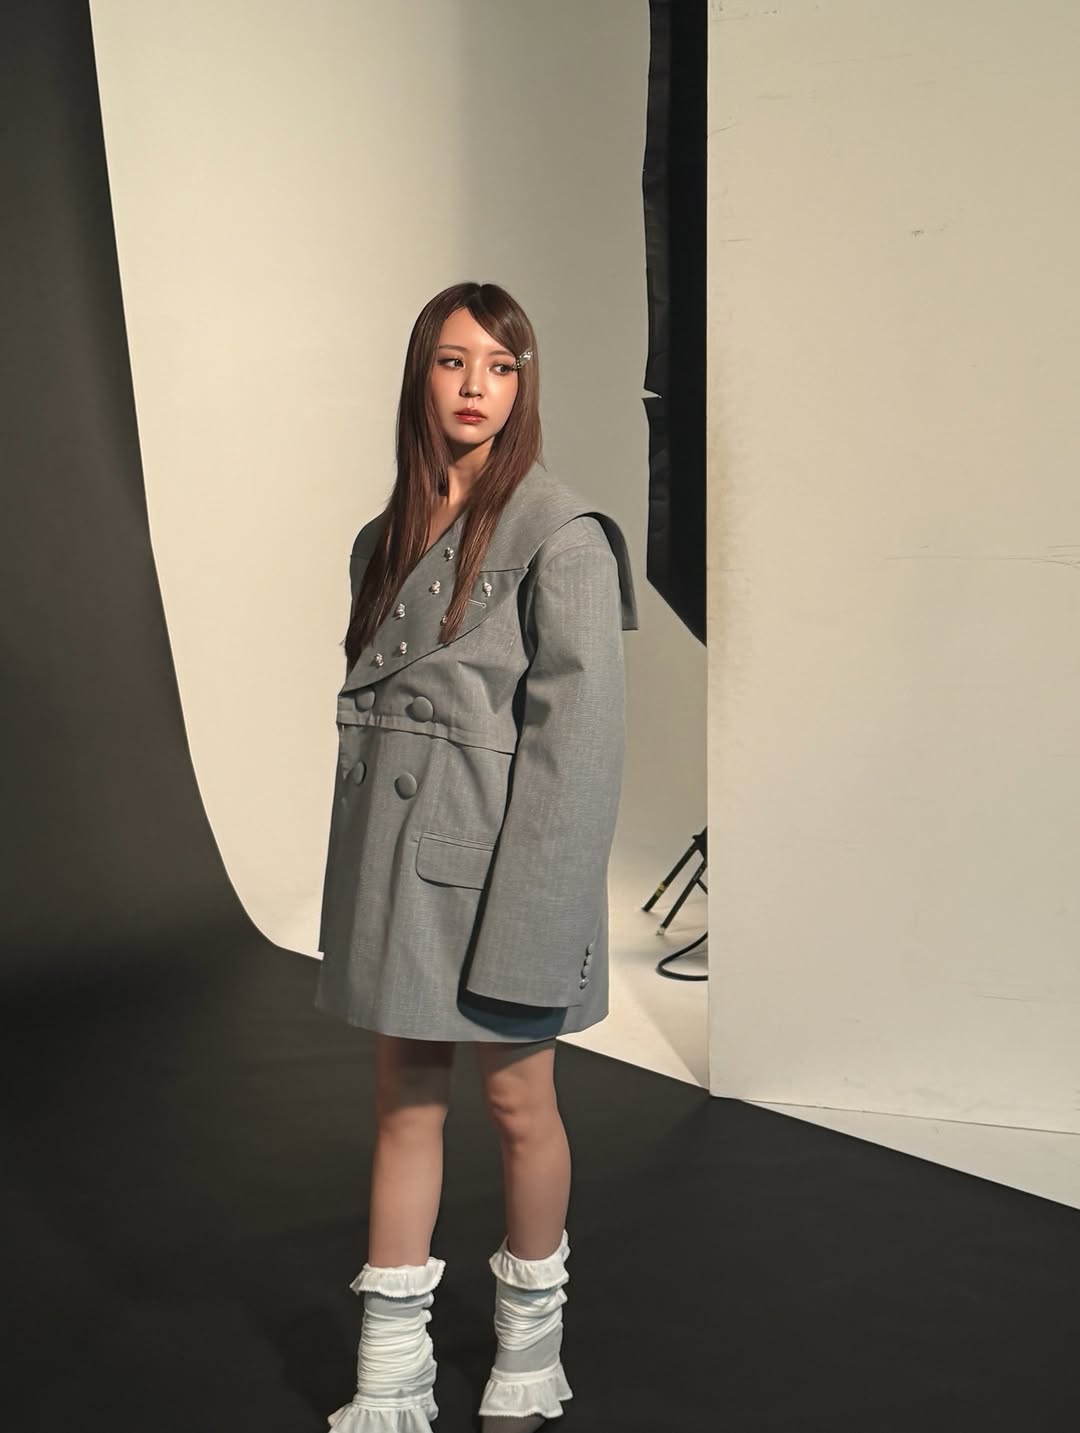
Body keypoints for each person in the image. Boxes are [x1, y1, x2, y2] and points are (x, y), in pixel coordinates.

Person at [314, 281, 638, 1432]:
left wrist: (537, 919)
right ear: (422, 373)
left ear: (523, 385)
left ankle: (529, 1349)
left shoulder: (565, 535)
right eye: (454, 361)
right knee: (403, 1100)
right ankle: (390, 1370)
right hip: (402, 871)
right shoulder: (383, 538)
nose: (475, 387)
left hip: (499, 871)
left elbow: (578, 749)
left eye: (501, 367)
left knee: (518, 1100)